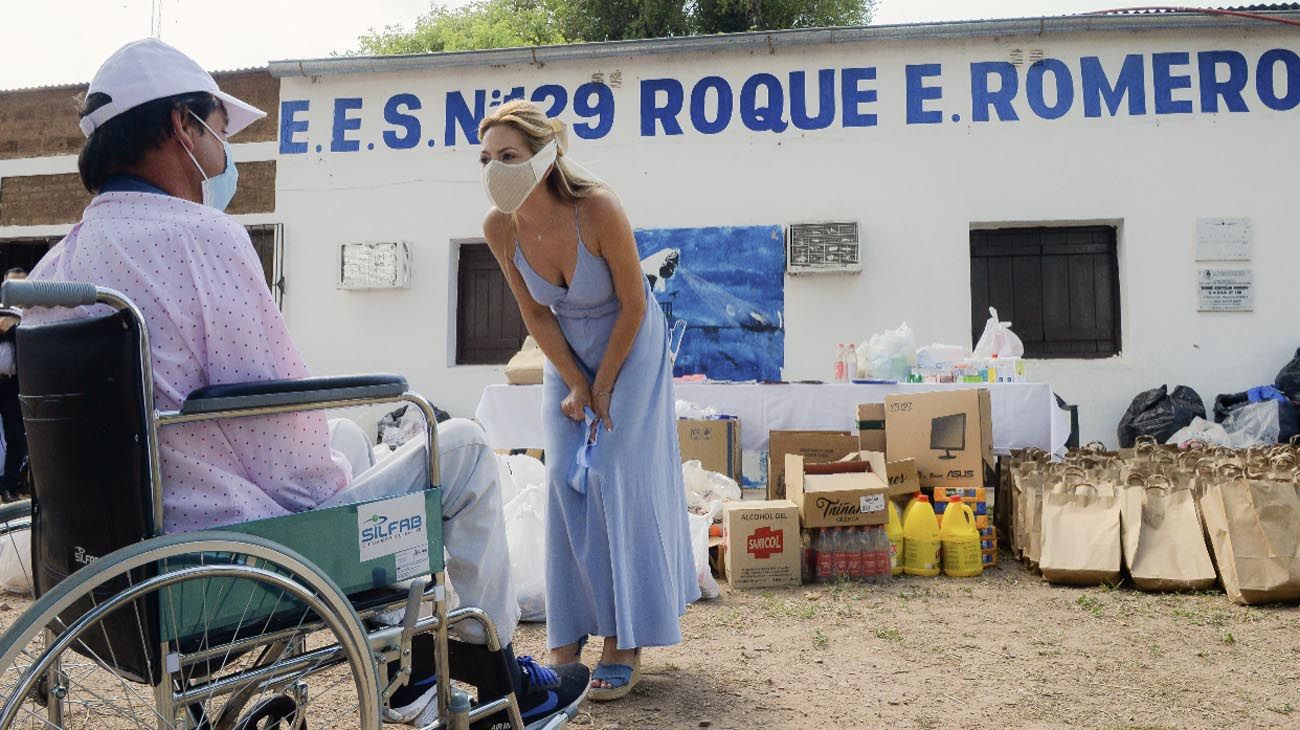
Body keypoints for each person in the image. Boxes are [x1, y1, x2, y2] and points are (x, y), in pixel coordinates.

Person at [22, 39, 587, 729]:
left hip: (106, 569)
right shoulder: (202, 239)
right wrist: (345, 512)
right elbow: (279, 434)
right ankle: (494, 682)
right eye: (219, 132)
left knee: (347, 437)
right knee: (462, 447)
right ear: (181, 126)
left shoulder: (57, 267)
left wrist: (347, 469)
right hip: (225, 563)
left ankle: (409, 674)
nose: (223, 153)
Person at [478, 101, 699, 701]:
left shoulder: (597, 208)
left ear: (545, 156)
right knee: (564, 485)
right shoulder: (500, 227)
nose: (496, 168)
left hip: (631, 342)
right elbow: (534, 313)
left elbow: (633, 303)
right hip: (566, 348)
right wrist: (576, 381)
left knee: (611, 473)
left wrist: (603, 386)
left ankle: (624, 637)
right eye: (487, 159)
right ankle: (566, 635)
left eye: (509, 156)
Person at [0, 268, 26, 502]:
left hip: (14, 385)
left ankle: (9, 485)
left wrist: (15, 325)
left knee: (17, 437)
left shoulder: (29, 315)